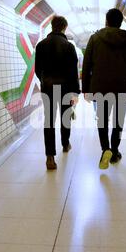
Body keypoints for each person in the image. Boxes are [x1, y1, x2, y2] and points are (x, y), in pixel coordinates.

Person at [82, 8, 126, 170]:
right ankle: (115, 151)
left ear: (106, 21)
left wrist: (85, 89)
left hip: (100, 87)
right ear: (121, 22)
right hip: (122, 87)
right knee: (118, 122)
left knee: (102, 120)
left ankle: (105, 149)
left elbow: (86, 65)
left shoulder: (95, 39)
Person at [35, 16, 80, 170]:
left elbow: (37, 70)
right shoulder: (69, 47)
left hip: (47, 88)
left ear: (52, 26)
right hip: (66, 89)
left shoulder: (40, 45)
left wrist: (44, 81)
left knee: (49, 121)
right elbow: (74, 72)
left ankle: (50, 157)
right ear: (64, 28)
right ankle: (65, 144)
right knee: (65, 118)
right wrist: (75, 92)